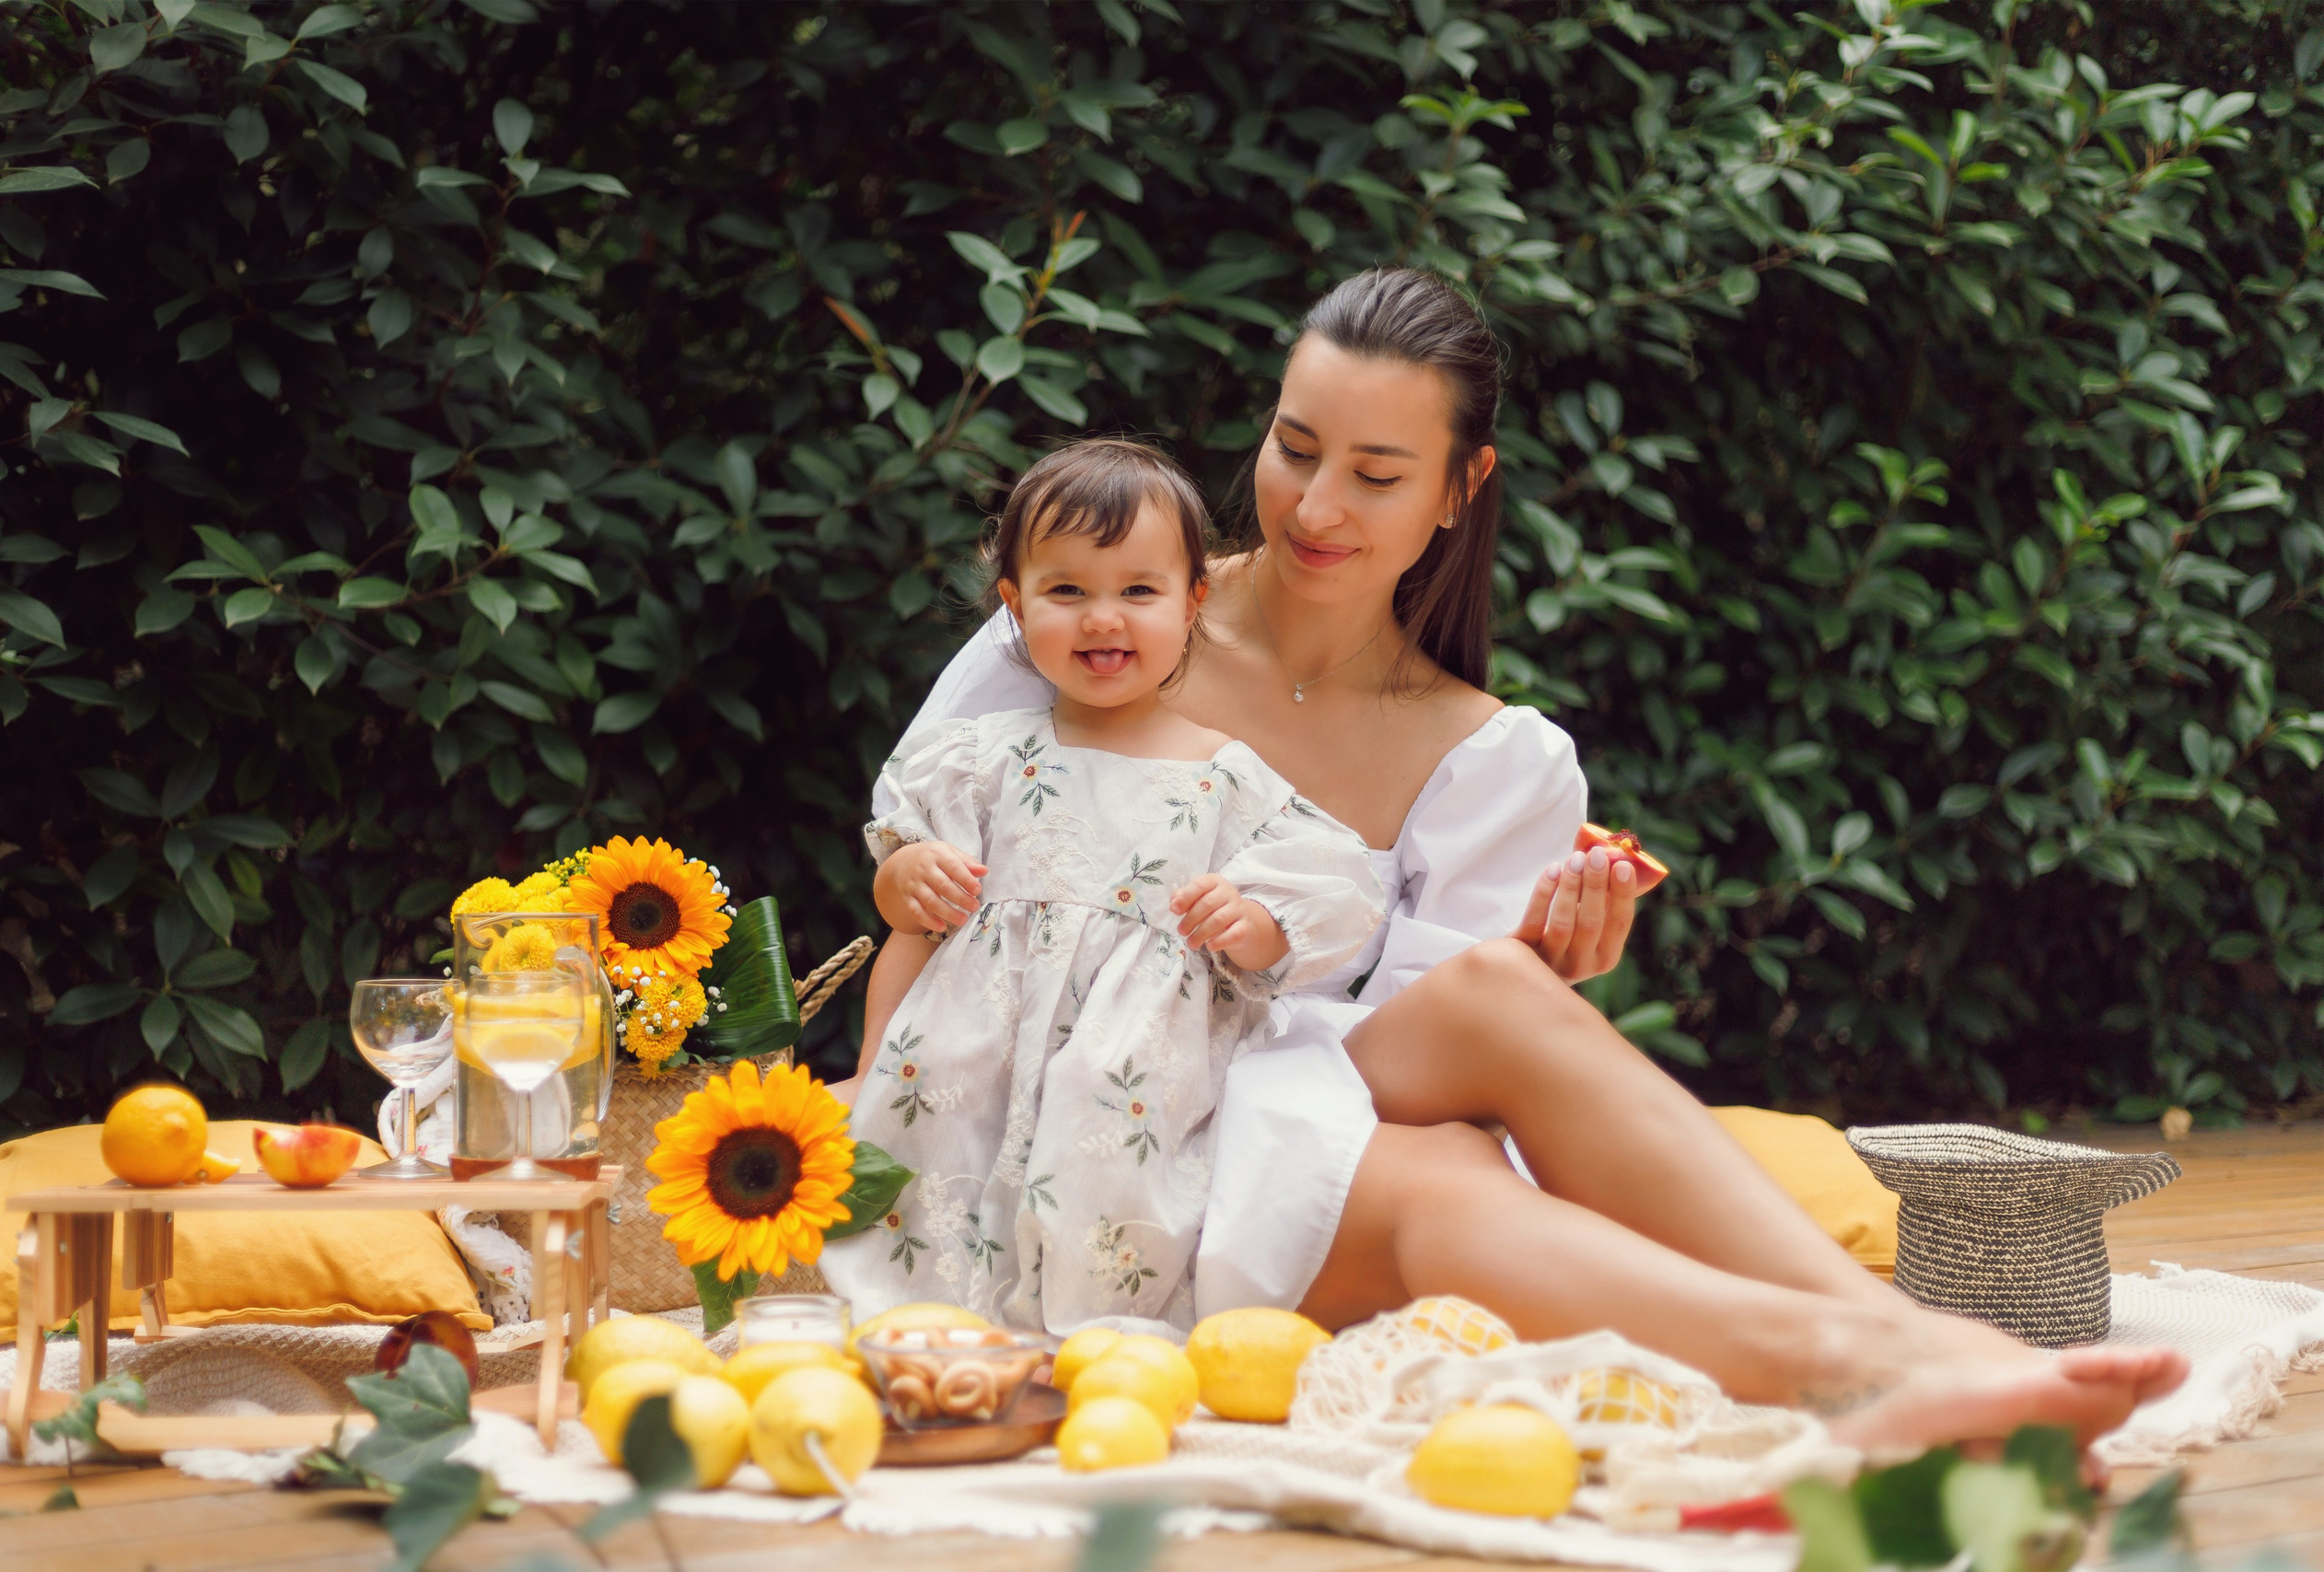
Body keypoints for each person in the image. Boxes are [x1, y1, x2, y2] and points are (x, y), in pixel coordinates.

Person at [852, 268, 2184, 1454]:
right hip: (1092, 1090)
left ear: (1458, 486)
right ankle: (1871, 1360)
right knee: (1444, 1181)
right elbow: (928, 863)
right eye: (1292, 444)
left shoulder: (1495, 756)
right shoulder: (1092, 612)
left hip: (1306, 1070)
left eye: (1375, 473)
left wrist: (1542, 972)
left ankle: (1892, 1337)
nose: (1315, 505)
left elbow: (1425, 1064)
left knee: (1494, 995)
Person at [822, 438, 1383, 1337]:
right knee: (928, 1201)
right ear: (1015, 606)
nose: (1102, 620)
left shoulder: (1225, 783)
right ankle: (928, 1339)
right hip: (964, 1068)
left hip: (1127, 1082)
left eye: (1138, 591)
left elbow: (1330, 900)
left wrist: (1251, 921)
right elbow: (908, 929)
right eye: (1067, 591)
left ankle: (1093, 1344)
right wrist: (902, 884)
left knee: (1108, 1181)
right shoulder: (978, 762)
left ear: (1192, 601)